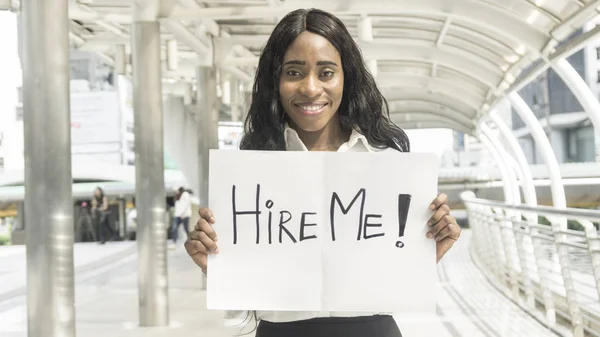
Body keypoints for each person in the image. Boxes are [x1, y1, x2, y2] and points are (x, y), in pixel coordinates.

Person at [185, 8, 462, 337]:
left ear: (347, 78)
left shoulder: (385, 164)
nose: (310, 88)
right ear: (276, 80)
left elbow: (388, 270)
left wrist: (425, 250)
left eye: (326, 72)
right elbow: (252, 281)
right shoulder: (253, 172)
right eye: (294, 72)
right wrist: (216, 264)